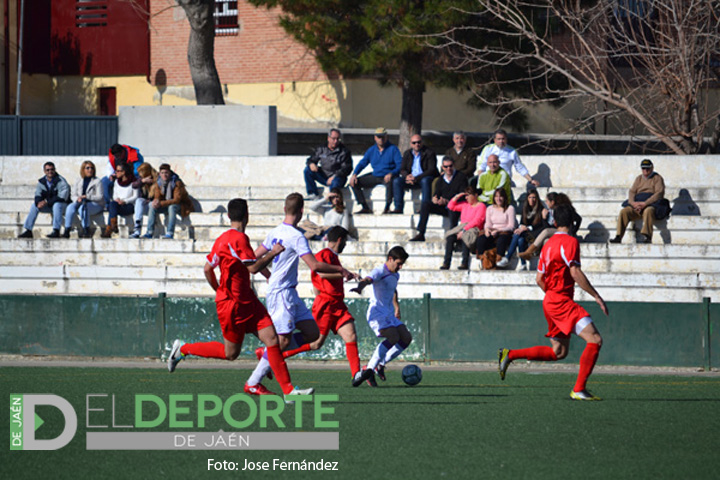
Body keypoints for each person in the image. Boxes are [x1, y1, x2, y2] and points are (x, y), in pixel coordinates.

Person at [166, 198, 313, 402]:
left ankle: (288, 391)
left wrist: (219, 289)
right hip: (233, 305)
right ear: (247, 216)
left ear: (228, 216)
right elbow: (252, 267)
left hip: (247, 301)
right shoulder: (240, 239)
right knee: (230, 353)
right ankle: (183, 349)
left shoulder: (222, 239)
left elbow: (208, 268)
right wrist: (273, 252)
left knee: (272, 340)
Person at [246, 193, 357, 395]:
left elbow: (252, 259)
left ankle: (268, 355)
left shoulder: (275, 232)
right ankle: (254, 381)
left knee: (312, 333)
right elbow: (314, 265)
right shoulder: (296, 237)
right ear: (302, 211)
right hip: (282, 294)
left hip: (289, 293)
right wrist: (341, 270)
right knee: (283, 341)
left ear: (284, 209)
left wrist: (268, 274)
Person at [498, 203, 609, 401]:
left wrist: (552, 296)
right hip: (560, 302)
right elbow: (575, 271)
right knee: (595, 340)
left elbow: (539, 279)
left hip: (550, 300)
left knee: (559, 352)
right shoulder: (570, 242)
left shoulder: (547, 244)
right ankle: (579, 389)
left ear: (554, 222)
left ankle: (510, 354)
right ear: (572, 222)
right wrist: (596, 296)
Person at [273, 226, 373, 387]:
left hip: (338, 305)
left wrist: (346, 275)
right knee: (315, 343)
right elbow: (320, 273)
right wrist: (343, 273)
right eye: (345, 241)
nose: (346, 245)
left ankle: (356, 374)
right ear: (339, 240)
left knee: (351, 335)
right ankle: (275, 356)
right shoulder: (324, 254)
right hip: (326, 304)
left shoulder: (333, 256)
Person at [351, 246, 412, 386]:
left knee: (406, 338)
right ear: (390, 259)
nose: (400, 267)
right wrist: (360, 287)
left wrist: (397, 307)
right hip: (377, 313)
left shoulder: (396, 274)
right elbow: (367, 280)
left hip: (389, 313)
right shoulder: (379, 271)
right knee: (393, 337)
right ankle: (369, 368)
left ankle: (380, 365)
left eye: (402, 264)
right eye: (399, 263)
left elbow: (393, 290)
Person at [409, 156, 468, 242]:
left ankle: (453, 237)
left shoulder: (461, 177)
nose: (448, 169)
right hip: (443, 206)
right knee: (426, 204)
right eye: (446, 167)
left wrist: (448, 201)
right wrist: (435, 199)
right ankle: (421, 233)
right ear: (442, 167)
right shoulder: (440, 179)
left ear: (454, 165)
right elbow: (437, 193)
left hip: (456, 207)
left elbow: (462, 195)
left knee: (452, 209)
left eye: (450, 166)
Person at [610, 158, 665, 244]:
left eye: (647, 168)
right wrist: (633, 203)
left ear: (652, 168)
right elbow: (632, 191)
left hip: (650, 204)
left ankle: (647, 236)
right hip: (638, 204)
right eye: (643, 168)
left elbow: (659, 193)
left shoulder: (657, 178)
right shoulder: (638, 178)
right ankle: (618, 236)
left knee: (648, 211)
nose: (645, 171)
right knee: (624, 212)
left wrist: (645, 203)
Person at [349, 128, 402, 214]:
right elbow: (363, 163)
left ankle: (387, 207)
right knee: (355, 182)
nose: (381, 139)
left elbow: (400, 165)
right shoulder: (371, 150)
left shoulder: (393, 149)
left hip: (388, 175)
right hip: (376, 175)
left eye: (383, 137)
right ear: (375, 138)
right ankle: (364, 207)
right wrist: (354, 174)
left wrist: (391, 173)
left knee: (391, 183)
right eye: (379, 137)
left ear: (386, 137)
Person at [520, 192, 582, 261]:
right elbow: (548, 226)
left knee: (546, 231)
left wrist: (573, 231)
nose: (546, 203)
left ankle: (529, 251)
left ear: (552, 202)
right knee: (546, 241)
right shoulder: (551, 211)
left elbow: (579, 219)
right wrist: (544, 218)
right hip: (557, 232)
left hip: (565, 232)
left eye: (547, 201)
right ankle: (545, 263)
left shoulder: (564, 209)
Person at [18, 162, 70, 239]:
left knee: (57, 205)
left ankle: (56, 231)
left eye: (52, 169)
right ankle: (28, 230)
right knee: (34, 206)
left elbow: (62, 197)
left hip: (63, 206)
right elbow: (37, 194)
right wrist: (39, 202)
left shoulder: (61, 181)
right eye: (47, 170)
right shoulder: (41, 182)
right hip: (50, 206)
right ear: (44, 171)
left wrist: (46, 201)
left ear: (55, 170)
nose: (50, 171)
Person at [142, 163, 193, 239]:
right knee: (152, 206)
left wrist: (161, 203)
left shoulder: (176, 182)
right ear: (160, 174)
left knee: (172, 207)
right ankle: (149, 232)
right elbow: (157, 196)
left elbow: (177, 200)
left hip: (181, 205)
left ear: (170, 173)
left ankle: (170, 233)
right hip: (166, 205)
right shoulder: (158, 182)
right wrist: (156, 201)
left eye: (166, 173)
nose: (164, 175)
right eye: (162, 173)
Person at [391, 134, 438, 214]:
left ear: (422, 142)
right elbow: (402, 169)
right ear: (410, 144)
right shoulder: (407, 153)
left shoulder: (429, 152)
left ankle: (425, 208)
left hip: (423, 177)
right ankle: (398, 207)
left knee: (425, 181)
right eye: (414, 143)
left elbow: (431, 170)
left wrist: (417, 178)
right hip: (411, 178)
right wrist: (407, 176)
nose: (417, 144)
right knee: (397, 181)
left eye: (419, 142)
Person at [443, 184, 487, 270]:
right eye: (465, 195)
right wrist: (457, 196)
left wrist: (464, 230)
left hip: (474, 228)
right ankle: (446, 262)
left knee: (466, 236)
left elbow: (477, 221)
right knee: (450, 237)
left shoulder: (481, 206)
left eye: (468, 195)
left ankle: (465, 262)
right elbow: (451, 206)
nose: (466, 197)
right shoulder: (465, 205)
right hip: (462, 227)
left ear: (475, 195)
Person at [500, 188, 546, 269]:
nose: (532, 200)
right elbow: (522, 223)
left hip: (535, 238)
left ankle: (508, 257)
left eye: (534, 197)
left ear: (537, 199)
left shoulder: (541, 210)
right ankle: (523, 264)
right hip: (525, 235)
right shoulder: (525, 209)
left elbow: (541, 226)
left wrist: (527, 228)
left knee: (518, 234)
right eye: (530, 197)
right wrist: (521, 227)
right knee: (520, 239)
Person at [303, 128, 353, 200]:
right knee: (307, 170)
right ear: (328, 138)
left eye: (337, 139)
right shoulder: (321, 148)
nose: (335, 141)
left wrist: (334, 176)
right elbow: (311, 159)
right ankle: (312, 193)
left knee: (335, 182)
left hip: (338, 177)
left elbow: (347, 168)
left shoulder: (344, 151)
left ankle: (331, 201)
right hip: (324, 175)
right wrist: (311, 163)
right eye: (333, 139)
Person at [475, 188, 516, 268]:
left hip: (504, 231)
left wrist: (498, 230)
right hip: (492, 230)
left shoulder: (510, 208)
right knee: (481, 239)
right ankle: (482, 260)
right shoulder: (490, 208)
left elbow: (511, 226)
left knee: (502, 240)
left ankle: (499, 260)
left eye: (501, 196)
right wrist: (487, 230)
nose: (498, 199)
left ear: (504, 198)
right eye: (496, 196)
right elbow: (488, 223)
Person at [63, 160, 104, 238]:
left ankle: (86, 229)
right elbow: (73, 194)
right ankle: (67, 229)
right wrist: (77, 199)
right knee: (70, 207)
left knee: (83, 208)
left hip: (95, 204)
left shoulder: (97, 181)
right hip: (80, 201)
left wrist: (87, 196)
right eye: (87, 168)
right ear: (83, 169)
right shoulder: (78, 180)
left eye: (92, 168)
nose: (90, 170)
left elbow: (100, 197)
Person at [100, 163, 139, 238]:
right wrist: (117, 199)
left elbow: (135, 196)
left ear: (123, 172)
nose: (115, 173)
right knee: (112, 204)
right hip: (119, 204)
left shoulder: (134, 182)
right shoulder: (117, 182)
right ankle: (113, 225)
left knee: (112, 208)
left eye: (117, 171)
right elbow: (115, 195)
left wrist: (125, 201)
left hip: (129, 206)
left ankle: (109, 229)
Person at [129, 163, 158, 239]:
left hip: (155, 205)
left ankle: (149, 232)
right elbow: (133, 185)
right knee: (139, 201)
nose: (140, 175)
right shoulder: (142, 179)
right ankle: (137, 229)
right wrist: (143, 181)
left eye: (141, 173)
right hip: (145, 205)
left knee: (151, 203)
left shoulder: (157, 179)